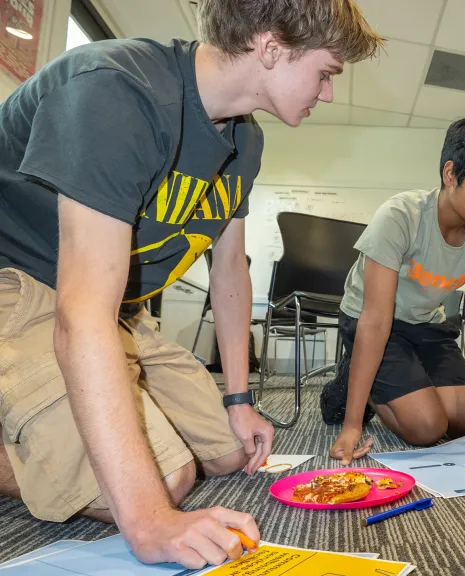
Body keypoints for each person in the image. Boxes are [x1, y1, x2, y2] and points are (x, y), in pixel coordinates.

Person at [0, 0, 382, 569]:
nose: (327, 93)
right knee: (164, 480)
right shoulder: (115, 88)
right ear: (272, 45)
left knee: (230, 452)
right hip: (21, 286)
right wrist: (150, 520)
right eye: (326, 72)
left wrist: (239, 398)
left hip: (117, 312)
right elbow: (80, 317)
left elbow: (229, 271)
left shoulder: (245, 142)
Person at [320, 115, 465, 464]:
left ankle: (396, 379)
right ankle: (355, 380)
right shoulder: (400, 216)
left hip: (425, 324)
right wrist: (352, 424)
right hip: (371, 319)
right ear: (451, 175)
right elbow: (375, 319)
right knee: (427, 426)